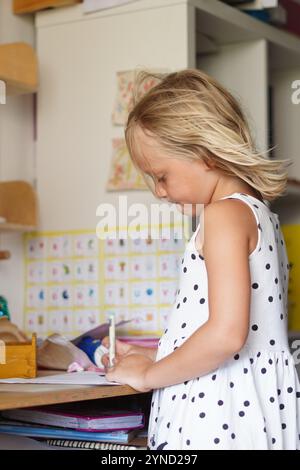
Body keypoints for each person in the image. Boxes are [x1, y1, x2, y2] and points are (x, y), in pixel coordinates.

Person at [101, 69, 300, 450]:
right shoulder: (258, 214)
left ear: (205, 154)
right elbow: (230, 333)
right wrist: (157, 354)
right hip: (251, 410)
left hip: (217, 414)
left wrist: (149, 375)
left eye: (161, 175)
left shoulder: (223, 215)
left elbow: (226, 335)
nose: (159, 192)